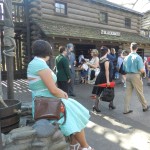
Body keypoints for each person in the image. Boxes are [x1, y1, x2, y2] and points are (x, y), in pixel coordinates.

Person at [27, 40, 94, 150]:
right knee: (75, 113)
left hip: (44, 101)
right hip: (46, 104)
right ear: (47, 51)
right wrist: (63, 94)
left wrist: (61, 93)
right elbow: (53, 90)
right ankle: (84, 146)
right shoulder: (39, 64)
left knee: (75, 109)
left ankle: (74, 143)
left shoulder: (35, 63)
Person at [123, 42, 150, 114]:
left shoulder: (126, 57)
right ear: (137, 49)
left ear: (130, 48)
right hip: (136, 75)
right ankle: (145, 106)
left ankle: (126, 109)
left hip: (128, 75)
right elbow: (141, 69)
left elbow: (123, 69)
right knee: (139, 92)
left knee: (127, 93)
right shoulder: (138, 57)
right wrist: (144, 73)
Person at [91, 47, 116, 112]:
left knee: (98, 92)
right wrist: (107, 80)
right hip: (106, 77)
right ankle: (110, 104)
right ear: (107, 52)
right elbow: (106, 70)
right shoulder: (106, 60)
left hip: (100, 76)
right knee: (111, 90)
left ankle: (96, 106)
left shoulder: (100, 59)